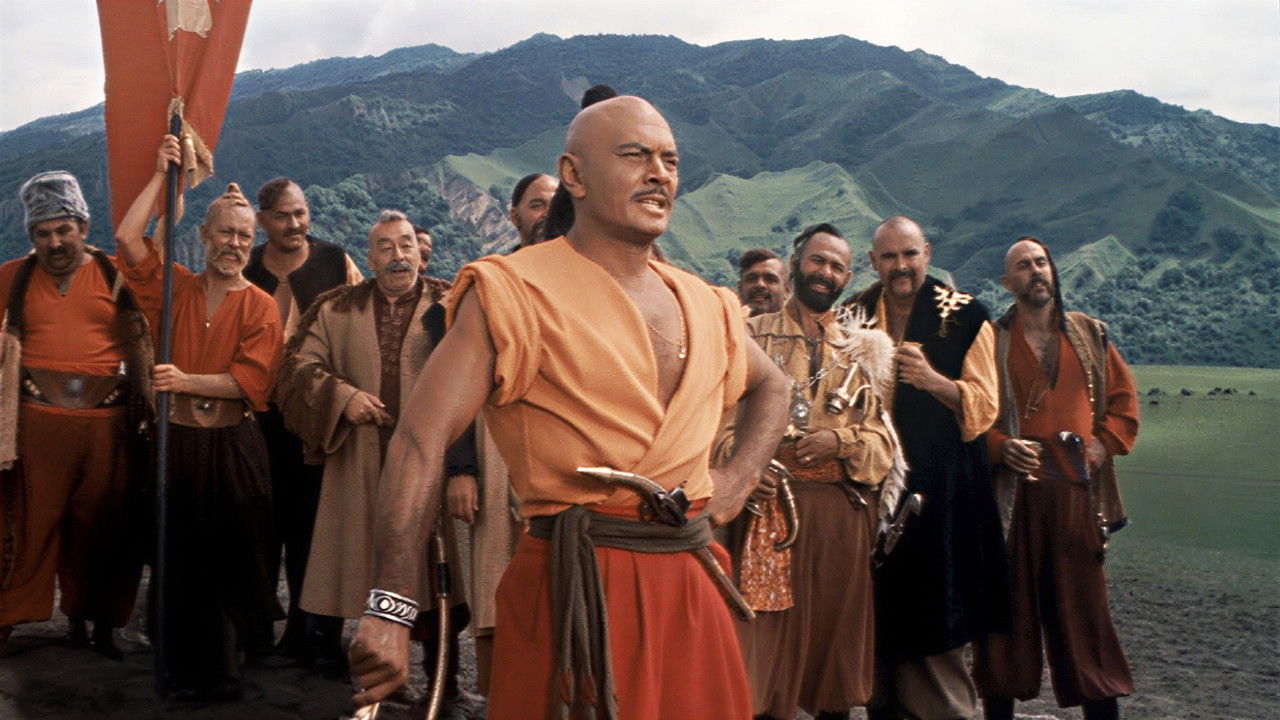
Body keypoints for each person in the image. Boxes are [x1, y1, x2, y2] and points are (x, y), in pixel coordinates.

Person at [348, 95, 790, 720]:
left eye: (670, 160)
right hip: (574, 585)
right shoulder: (513, 290)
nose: (658, 174)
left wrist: (736, 481)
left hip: (691, 584)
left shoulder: (706, 301)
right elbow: (420, 441)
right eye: (635, 155)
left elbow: (775, 387)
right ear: (574, 175)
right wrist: (390, 607)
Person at [275, 210, 470, 714]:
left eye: (405, 245)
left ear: (420, 251)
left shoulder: (453, 305)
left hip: (431, 465)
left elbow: (476, 382)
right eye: (385, 247)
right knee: (365, 570)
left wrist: (463, 468)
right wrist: (344, 398)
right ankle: (377, 685)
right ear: (370, 258)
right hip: (359, 464)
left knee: (437, 576)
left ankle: (444, 682)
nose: (398, 256)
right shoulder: (336, 308)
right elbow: (298, 365)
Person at [116, 135, 282, 700]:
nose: (234, 244)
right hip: (176, 442)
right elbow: (127, 237)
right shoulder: (175, 289)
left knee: (232, 555)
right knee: (176, 554)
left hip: (231, 446)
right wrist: (167, 178)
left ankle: (226, 676)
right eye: (224, 233)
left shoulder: (261, 306)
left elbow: (248, 383)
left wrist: (183, 381)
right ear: (204, 235)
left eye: (244, 236)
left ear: (253, 242)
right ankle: (178, 669)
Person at [721, 224, 905, 720]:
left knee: (832, 657)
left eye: (837, 266)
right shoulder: (749, 335)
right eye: (817, 261)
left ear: (848, 277)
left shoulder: (865, 350)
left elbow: (883, 446)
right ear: (796, 264)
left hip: (839, 520)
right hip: (765, 512)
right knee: (759, 655)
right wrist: (744, 467)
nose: (825, 272)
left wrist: (838, 441)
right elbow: (715, 420)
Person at [847, 215, 1011, 720]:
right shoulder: (852, 315)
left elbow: (984, 409)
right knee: (877, 620)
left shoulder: (966, 315)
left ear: (928, 254)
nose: (901, 266)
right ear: (873, 262)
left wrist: (933, 381)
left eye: (910, 254)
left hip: (945, 495)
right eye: (889, 257)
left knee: (935, 615)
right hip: (869, 492)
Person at [973, 237, 1138, 720]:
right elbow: (971, 415)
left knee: (1086, 622)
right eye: (1023, 266)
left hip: (1074, 499)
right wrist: (999, 446)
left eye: (1041, 262)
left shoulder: (1089, 334)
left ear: (1053, 270)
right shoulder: (991, 341)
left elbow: (1124, 403)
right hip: (1011, 503)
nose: (1036, 271)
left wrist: (1101, 446)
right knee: (1005, 624)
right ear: (1008, 282)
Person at [0, 171, 151, 659]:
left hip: (106, 427)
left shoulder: (115, 274)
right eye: (42, 233)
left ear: (84, 227)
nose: (54, 243)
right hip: (35, 425)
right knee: (26, 526)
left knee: (100, 526)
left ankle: (95, 624)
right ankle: (5, 621)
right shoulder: (13, 277)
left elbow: (169, 295)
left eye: (63, 229)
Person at [242, 176, 362, 668]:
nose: (295, 224)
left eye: (301, 212)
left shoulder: (335, 261)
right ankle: (255, 635)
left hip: (318, 418)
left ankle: (314, 637)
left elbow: (359, 325)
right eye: (283, 216)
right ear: (262, 220)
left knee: (316, 530)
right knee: (261, 526)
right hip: (257, 419)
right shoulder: (247, 268)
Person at [508, 173, 558, 249]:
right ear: (516, 217)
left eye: (557, 206)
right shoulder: (499, 258)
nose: (549, 213)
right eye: (537, 206)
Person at [737, 247, 790, 316]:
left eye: (770, 279)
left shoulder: (801, 322)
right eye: (752, 279)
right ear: (740, 288)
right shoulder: (726, 322)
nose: (760, 284)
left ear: (786, 291)